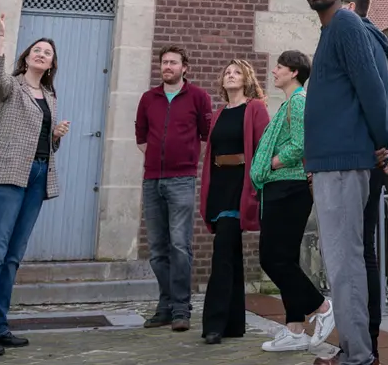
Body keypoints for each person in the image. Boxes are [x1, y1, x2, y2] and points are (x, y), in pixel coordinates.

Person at [302, 0, 388, 365]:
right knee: (343, 262)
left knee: (345, 263)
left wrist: (384, 145)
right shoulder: (330, 33)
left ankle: (358, 355)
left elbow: (371, 87)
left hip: (344, 162)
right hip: (329, 163)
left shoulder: (345, 25)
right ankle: (354, 350)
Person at [0, 6, 71, 356]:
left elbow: (41, 140)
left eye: (48, 52)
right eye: (37, 50)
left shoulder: (51, 98)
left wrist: (55, 136)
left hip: (39, 176)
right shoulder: (10, 87)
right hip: (8, 176)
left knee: (12, 257)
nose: (42, 54)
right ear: (26, 58)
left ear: (52, 64)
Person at [253, 49, 329, 353]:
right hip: (281, 187)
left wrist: (272, 163)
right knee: (284, 258)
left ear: (294, 72)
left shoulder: (298, 102)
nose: (274, 71)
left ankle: (323, 308)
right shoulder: (289, 103)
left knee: (272, 259)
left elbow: (299, 144)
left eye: (279, 67)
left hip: (287, 186)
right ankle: (295, 329)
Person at [338, 0, 388, 358]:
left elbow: (375, 95)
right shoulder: (364, 35)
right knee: (360, 250)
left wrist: (383, 146)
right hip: (364, 153)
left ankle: (366, 343)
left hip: (363, 157)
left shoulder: (362, 36)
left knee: (360, 251)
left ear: (350, 7)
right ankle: (363, 341)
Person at [136, 46, 213, 332]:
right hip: (152, 179)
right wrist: (157, 159)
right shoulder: (148, 98)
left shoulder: (199, 98)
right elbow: (141, 137)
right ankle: (166, 305)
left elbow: (206, 137)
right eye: (164, 62)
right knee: (157, 249)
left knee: (180, 245)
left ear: (185, 67)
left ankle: (181, 309)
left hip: (181, 179)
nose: (167, 66)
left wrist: (187, 161)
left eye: (173, 62)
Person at [199, 60, 270, 344]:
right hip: (218, 186)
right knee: (230, 254)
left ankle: (214, 324)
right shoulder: (217, 115)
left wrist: (256, 188)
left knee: (222, 252)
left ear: (246, 79)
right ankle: (234, 324)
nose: (230, 75)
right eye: (227, 72)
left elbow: (264, 147)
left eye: (236, 72)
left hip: (239, 187)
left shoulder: (255, 108)